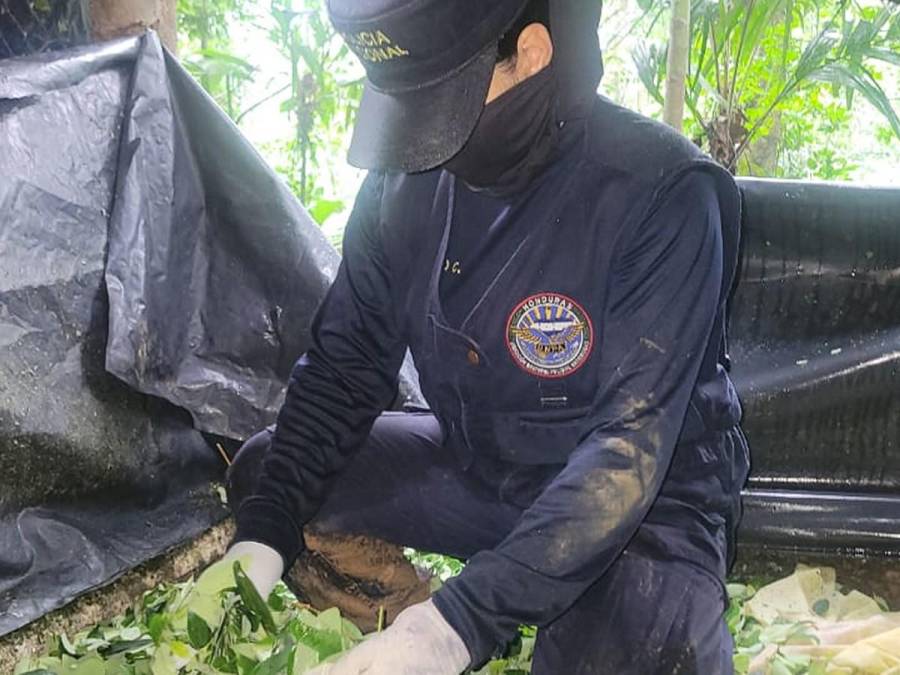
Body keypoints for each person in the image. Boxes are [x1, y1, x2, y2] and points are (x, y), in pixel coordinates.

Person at [217, 0, 751, 672]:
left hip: (642, 504)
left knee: (640, 646)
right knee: (271, 475)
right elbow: (343, 364)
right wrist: (262, 536)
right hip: (482, 471)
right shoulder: (403, 183)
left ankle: (482, 615)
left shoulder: (662, 196)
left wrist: (454, 628)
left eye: (443, 104)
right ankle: (404, 611)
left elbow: (627, 454)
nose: (427, 143)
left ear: (532, 52)